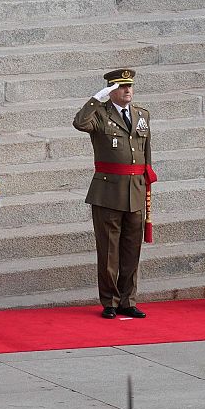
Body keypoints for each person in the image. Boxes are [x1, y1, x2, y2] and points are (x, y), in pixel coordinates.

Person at [74, 68, 155, 319]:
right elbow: (80, 123)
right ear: (111, 90)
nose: (127, 90)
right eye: (121, 86)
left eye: (130, 86)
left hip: (135, 190)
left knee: (132, 249)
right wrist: (96, 99)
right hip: (108, 191)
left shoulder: (142, 114)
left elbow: (146, 153)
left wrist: (146, 183)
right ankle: (110, 300)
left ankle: (128, 300)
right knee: (109, 251)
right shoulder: (99, 114)